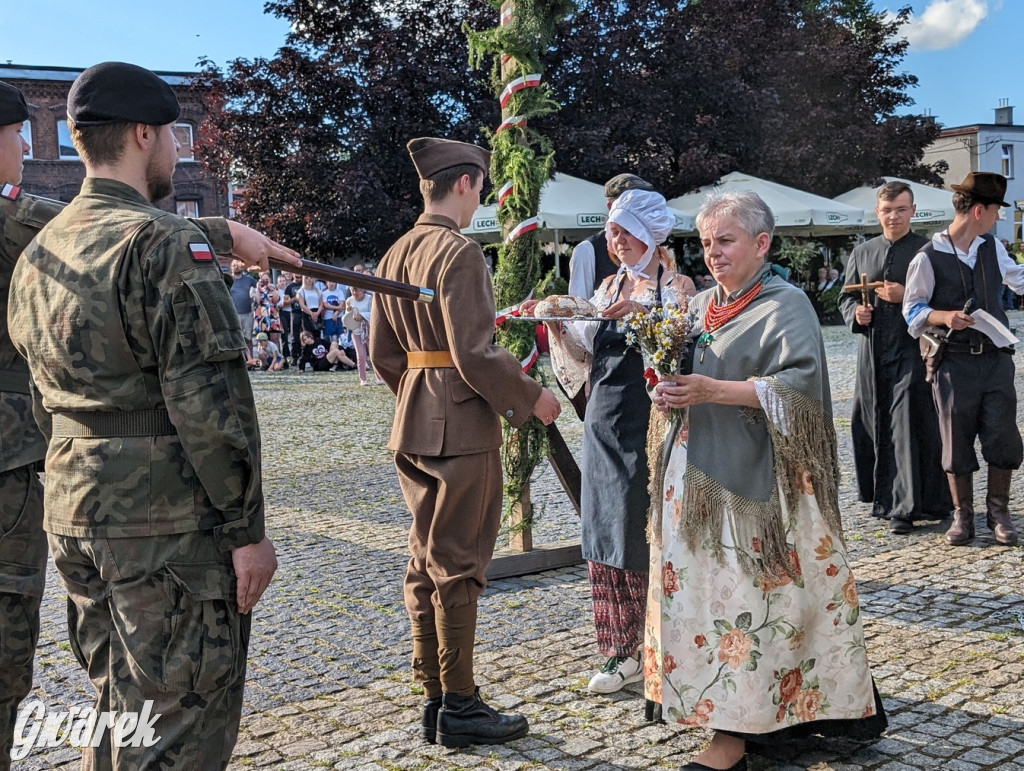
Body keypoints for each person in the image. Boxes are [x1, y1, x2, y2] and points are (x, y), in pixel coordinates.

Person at [0, 76, 297, 771]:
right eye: (169, 136)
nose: (171, 150)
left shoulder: (40, 251)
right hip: (160, 525)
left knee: (118, 708)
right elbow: (213, 406)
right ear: (144, 135)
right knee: (180, 723)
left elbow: (41, 389)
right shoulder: (164, 245)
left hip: (73, 510)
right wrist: (246, 531)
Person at [648, 191, 885, 771]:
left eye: (725, 241)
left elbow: (800, 388)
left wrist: (712, 391)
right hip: (699, 474)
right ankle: (759, 719)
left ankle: (735, 741)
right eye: (705, 243)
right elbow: (688, 374)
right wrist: (667, 386)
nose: (713, 253)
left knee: (759, 602)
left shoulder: (788, 303)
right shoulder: (700, 305)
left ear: (762, 244)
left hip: (767, 488)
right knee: (713, 604)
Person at [370, 136, 561, 749]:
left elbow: (383, 356)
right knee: (459, 564)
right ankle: (459, 703)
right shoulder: (459, 253)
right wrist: (532, 398)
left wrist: (421, 398)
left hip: (416, 418)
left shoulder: (395, 252)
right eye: (480, 184)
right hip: (460, 423)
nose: (480, 195)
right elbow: (476, 352)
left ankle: (434, 695)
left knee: (425, 559)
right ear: (464, 183)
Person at [537, 190, 695, 695]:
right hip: (602, 417)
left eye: (624, 231)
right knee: (602, 524)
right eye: (611, 231)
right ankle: (616, 648)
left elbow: (681, 350)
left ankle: (660, 640)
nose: (614, 240)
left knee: (641, 524)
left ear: (649, 235)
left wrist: (643, 318)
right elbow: (587, 348)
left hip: (651, 417)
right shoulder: (607, 285)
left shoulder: (678, 287)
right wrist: (561, 323)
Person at [903, 171, 1024, 547]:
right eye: (995, 211)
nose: (997, 217)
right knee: (955, 441)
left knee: (1003, 435)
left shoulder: (992, 248)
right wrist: (943, 316)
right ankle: (963, 516)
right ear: (977, 211)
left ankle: (999, 512)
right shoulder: (927, 256)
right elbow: (911, 311)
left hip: (995, 359)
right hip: (953, 363)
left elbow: (1019, 281)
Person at [839, 181, 951, 534]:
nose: (894, 216)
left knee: (908, 424)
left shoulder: (928, 250)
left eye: (901, 209)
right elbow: (844, 297)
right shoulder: (862, 252)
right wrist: (856, 314)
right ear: (878, 212)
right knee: (870, 421)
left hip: (911, 352)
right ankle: (882, 497)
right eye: (888, 210)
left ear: (912, 211)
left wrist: (906, 297)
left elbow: (944, 301)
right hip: (871, 353)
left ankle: (908, 507)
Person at [346, 285, 385, 385]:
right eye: (353, 291)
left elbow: (374, 313)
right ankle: (363, 379)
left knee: (373, 354)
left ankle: (379, 377)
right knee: (361, 355)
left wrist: (362, 316)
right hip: (356, 331)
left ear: (362, 290)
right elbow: (347, 317)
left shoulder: (370, 299)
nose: (355, 293)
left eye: (357, 290)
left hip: (369, 330)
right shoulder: (349, 300)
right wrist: (349, 311)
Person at [229, 258, 258, 356]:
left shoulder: (249, 279)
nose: (236, 267)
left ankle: (251, 360)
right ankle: (239, 360)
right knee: (236, 338)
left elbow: (259, 286)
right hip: (233, 314)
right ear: (231, 267)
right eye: (234, 265)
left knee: (248, 338)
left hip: (248, 313)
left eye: (238, 265)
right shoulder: (227, 279)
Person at [252, 270, 282, 346]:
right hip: (261, 314)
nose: (265, 282)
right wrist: (258, 288)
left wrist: (271, 288)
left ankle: (276, 355)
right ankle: (263, 356)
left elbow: (276, 299)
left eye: (267, 280)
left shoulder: (274, 287)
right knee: (262, 338)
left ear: (270, 280)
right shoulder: (257, 289)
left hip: (272, 314)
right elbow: (258, 301)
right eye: (263, 280)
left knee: (274, 339)